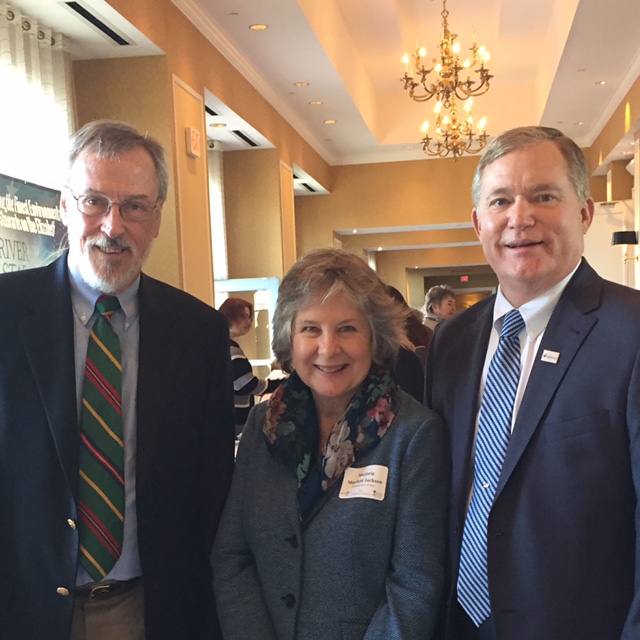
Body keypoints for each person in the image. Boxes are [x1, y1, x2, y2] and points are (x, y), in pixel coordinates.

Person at [0, 120, 235, 640]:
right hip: (21, 608)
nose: (112, 225)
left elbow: (211, 487)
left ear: (156, 219)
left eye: (134, 206)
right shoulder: (5, 314)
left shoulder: (199, 335)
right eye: (94, 201)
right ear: (64, 206)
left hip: (148, 611)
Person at [425, 126, 640, 640]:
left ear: (584, 212)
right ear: (479, 223)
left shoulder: (629, 332)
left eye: (544, 196)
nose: (520, 217)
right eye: (501, 200)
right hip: (459, 624)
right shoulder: (452, 341)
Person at [212, 248, 449, 640]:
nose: (327, 348)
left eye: (347, 328)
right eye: (310, 329)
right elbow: (232, 556)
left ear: (375, 336)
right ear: (290, 336)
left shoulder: (414, 435)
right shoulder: (263, 424)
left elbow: (415, 585)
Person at [219, 297, 284, 436]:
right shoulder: (229, 348)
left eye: (250, 317)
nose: (249, 322)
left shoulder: (223, 345)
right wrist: (278, 384)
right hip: (231, 418)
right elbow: (247, 384)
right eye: (245, 317)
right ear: (232, 316)